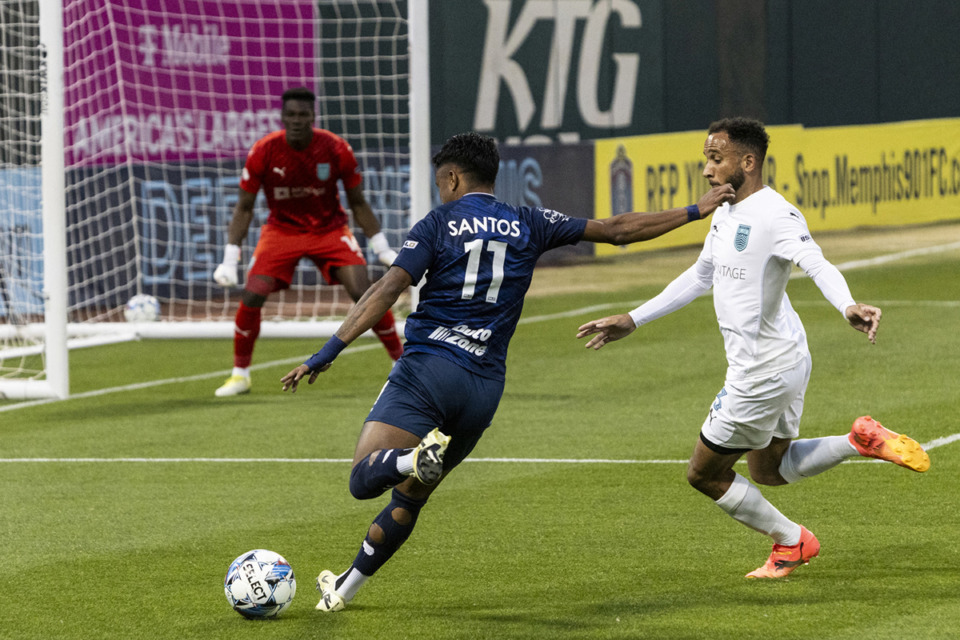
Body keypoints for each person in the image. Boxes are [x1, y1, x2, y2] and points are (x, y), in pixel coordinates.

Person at [280, 132, 736, 611]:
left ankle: (409, 459)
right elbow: (618, 230)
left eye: (442, 183)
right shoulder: (530, 221)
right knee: (410, 500)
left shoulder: (438, 223)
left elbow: (387, 290)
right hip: (482, 389)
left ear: (452, 178)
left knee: (363, 479)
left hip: (430, 368)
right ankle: (344, 588)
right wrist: (694, 210)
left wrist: (328, 350)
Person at [577, 117, 931, 579]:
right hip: (786, 358)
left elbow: (815, 262)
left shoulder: (776, 214)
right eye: (706, 157)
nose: (707, 169)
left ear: (748, 161)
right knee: (768, 469)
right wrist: (634, 318)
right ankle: (858, 441)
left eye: (716, 158)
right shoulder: (725, 211)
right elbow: (701, 275)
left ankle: (792, 542)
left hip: (761, 370)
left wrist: (847, 304)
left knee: (704, 474)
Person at [212, 87, 403, 397]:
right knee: (253, 293)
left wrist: (381, 246)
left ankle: (401, 361)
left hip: (330, 230)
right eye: (291, 115)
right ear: (282, 117)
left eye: (303, 115)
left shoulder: (336, 148)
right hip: (282, 231)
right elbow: (244, 207)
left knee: (362, 289)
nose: (297, 120)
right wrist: (230, 259)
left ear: (313, 116)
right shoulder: (264, 150)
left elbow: (357, 202)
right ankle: (240, 375)